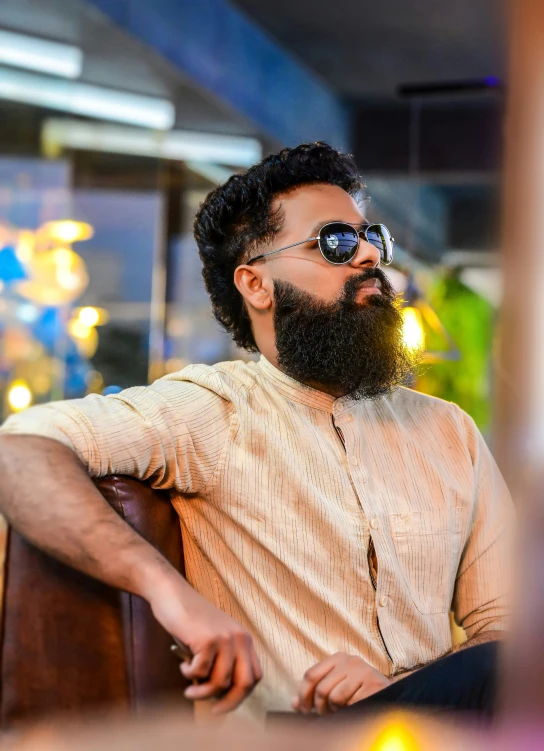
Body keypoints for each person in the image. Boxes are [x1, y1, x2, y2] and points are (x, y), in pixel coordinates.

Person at [0, 143, 513, 724]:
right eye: (335, 242)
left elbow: (508, 629)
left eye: (372, 237)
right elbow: (18, 450)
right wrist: (171, 596)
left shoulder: (450, 430)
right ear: (256, 284)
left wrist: (407, 686)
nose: (370, 254)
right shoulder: (212, 412)